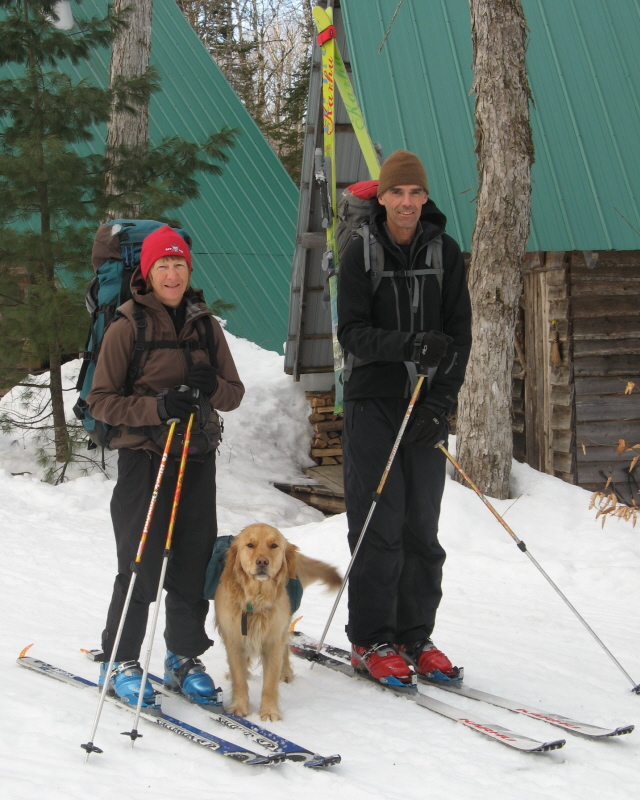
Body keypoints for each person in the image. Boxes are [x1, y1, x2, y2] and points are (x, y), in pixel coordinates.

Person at [88, 225, 244, 706]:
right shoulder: (125, 326)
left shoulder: (205, 326)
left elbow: (233, 394)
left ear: (188, 269)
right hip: (146, 460)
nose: (172, 274)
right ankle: (121, 659)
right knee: (140, 561)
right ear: (147, 271)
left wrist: (207, 386)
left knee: (194, 560)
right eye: (162, 265)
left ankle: (182, 657)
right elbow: (100, 401)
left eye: (178, 264)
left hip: (196, 457)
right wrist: (157, 408)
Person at [337, 150, 472, 687]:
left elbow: (459, 336)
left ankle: (416, 634)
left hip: (425, 405)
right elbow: (351, 332)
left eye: (416, 193)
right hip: (373, 401)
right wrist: (409, 344)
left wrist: (441, 404)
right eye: (398, 193)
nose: (408, 203)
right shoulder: (360, 253)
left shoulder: (446, 252)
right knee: (378, 524)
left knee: (421, 525)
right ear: (384, 196)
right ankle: (371, 637)